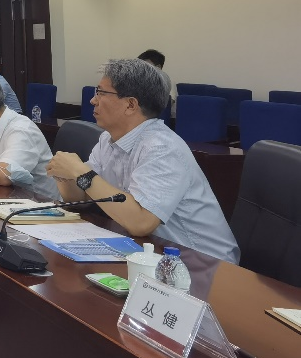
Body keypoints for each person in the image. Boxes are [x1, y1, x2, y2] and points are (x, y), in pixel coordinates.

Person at [47, 58, 239, 263]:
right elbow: (81, 198)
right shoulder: (108, 139)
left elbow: (141, 222)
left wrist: (80, 172)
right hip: (149, 250)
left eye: (101, 93)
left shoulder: (161, 148)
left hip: (204, 264)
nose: (93, 100)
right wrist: (64, 175)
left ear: (130, 105)